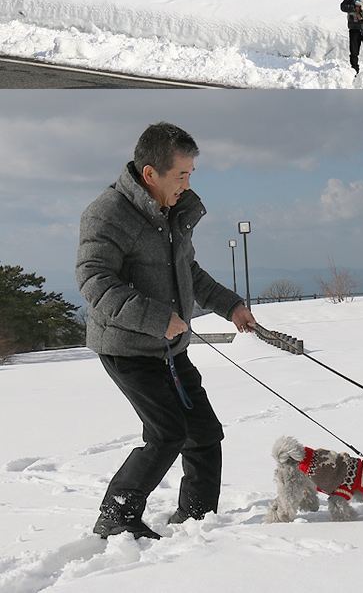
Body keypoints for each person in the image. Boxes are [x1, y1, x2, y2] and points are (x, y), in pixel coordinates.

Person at [76, 121, 256, 540]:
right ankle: (116, 515)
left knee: (204, 434)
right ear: (150, 174)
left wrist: (230, 306)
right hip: (127, 348)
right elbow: (93, 280)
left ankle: (197, 518)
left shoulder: (170, 212)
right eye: (181, 174)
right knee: (167, 433)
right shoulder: (108, 214)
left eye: (191, 173)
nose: (188, 183)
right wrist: (156, 318)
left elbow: (187, 272)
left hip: (170, 349)